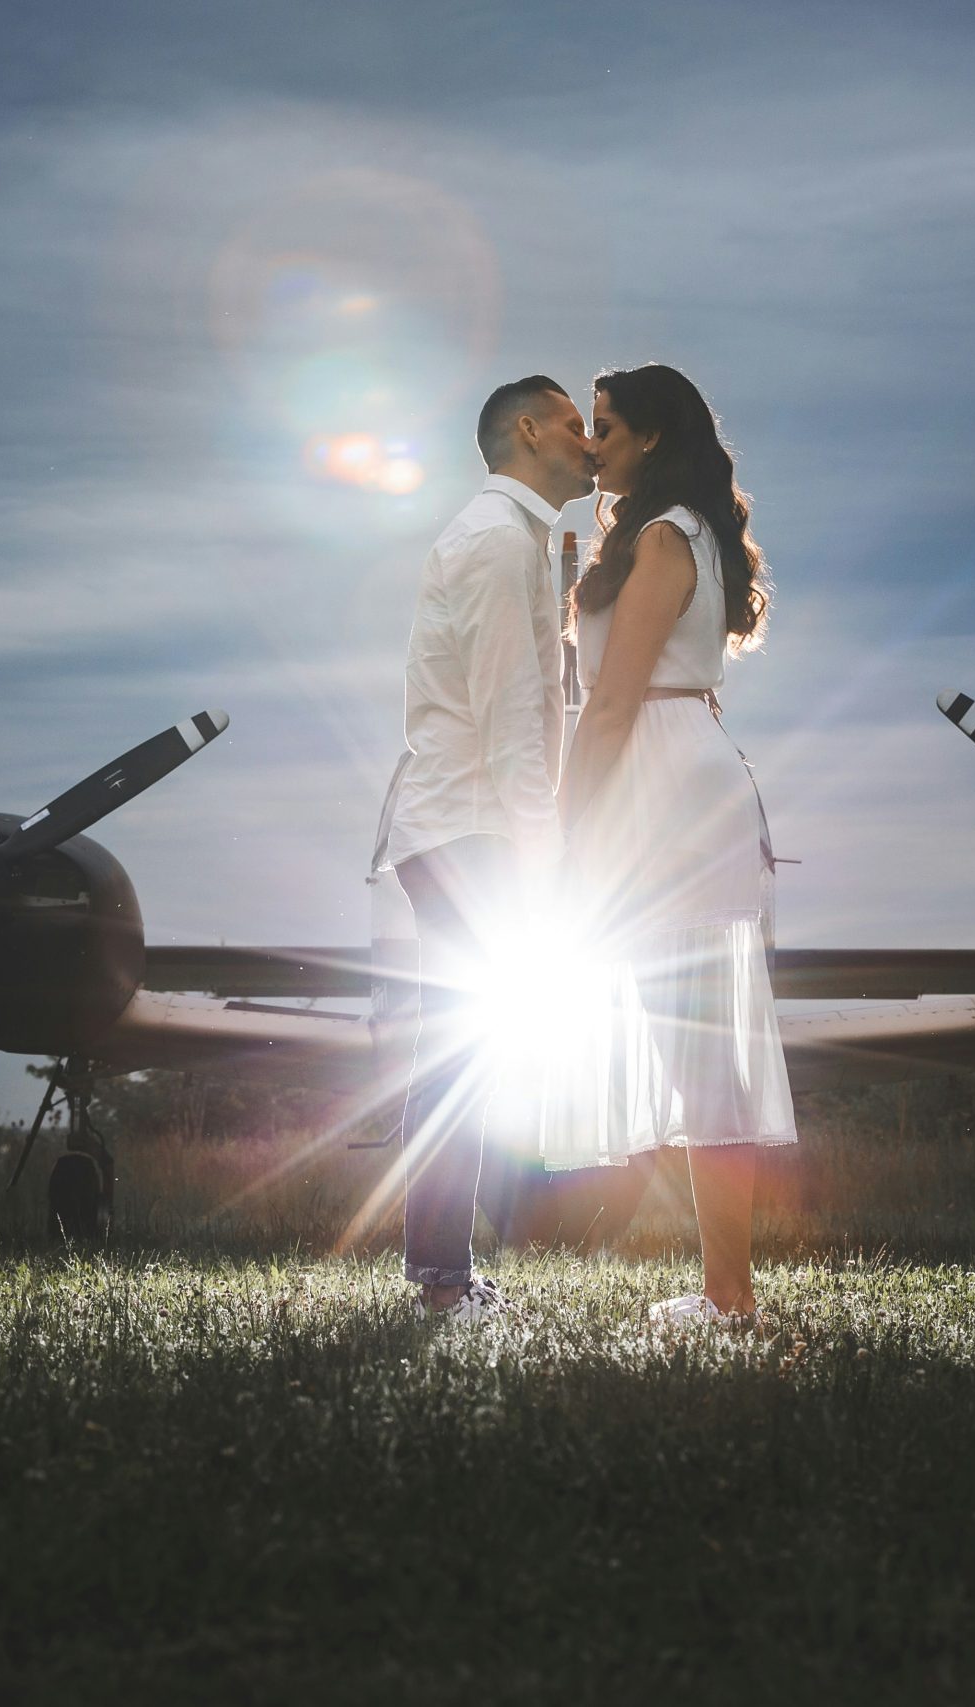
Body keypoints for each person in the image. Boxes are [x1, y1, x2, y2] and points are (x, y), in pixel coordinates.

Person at [552, 363, 796, 1325]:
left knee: (701, 1053)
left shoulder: (662, 538)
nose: (592, 442)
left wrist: (570, 832)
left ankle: (729, 1296)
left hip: (658, 781)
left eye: (605, 426)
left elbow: (611, 697)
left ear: (651, 437)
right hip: (679, 768)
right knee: (697, 1049)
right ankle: (726, 1290)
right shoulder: (679, 530)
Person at [382, 374, 596, 1324]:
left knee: (466, 1049)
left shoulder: (517, 538)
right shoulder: (496, 539)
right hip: (474, 828)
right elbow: (511, 712)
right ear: (525, 430)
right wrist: (545, 859)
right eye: (571, 423)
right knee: (464, 1054)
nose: (588, 442)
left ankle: (443, 1268)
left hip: (465, 825)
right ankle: (439, 1278)